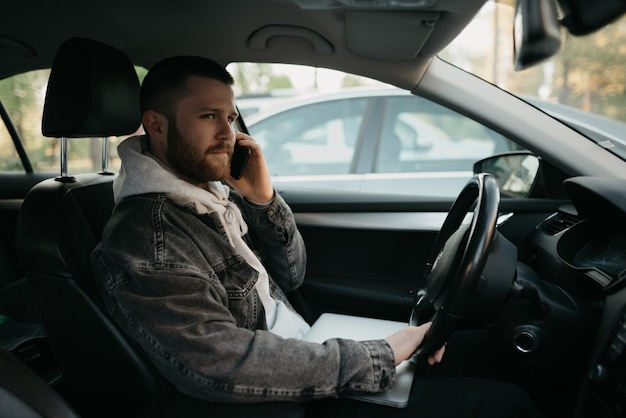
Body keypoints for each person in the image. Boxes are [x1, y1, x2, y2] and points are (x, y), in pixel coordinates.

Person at [90, 55, 544, 418]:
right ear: (157, 125)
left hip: (305, 351)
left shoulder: (206, 196)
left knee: (491, 349)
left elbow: (292, 273)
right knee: (507, 405)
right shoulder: (148, 236)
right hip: (288, 396)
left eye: (231, 117)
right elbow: (216, 362)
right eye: (210, 116)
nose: (229, 134)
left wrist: (263, 198)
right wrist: (378, 356)